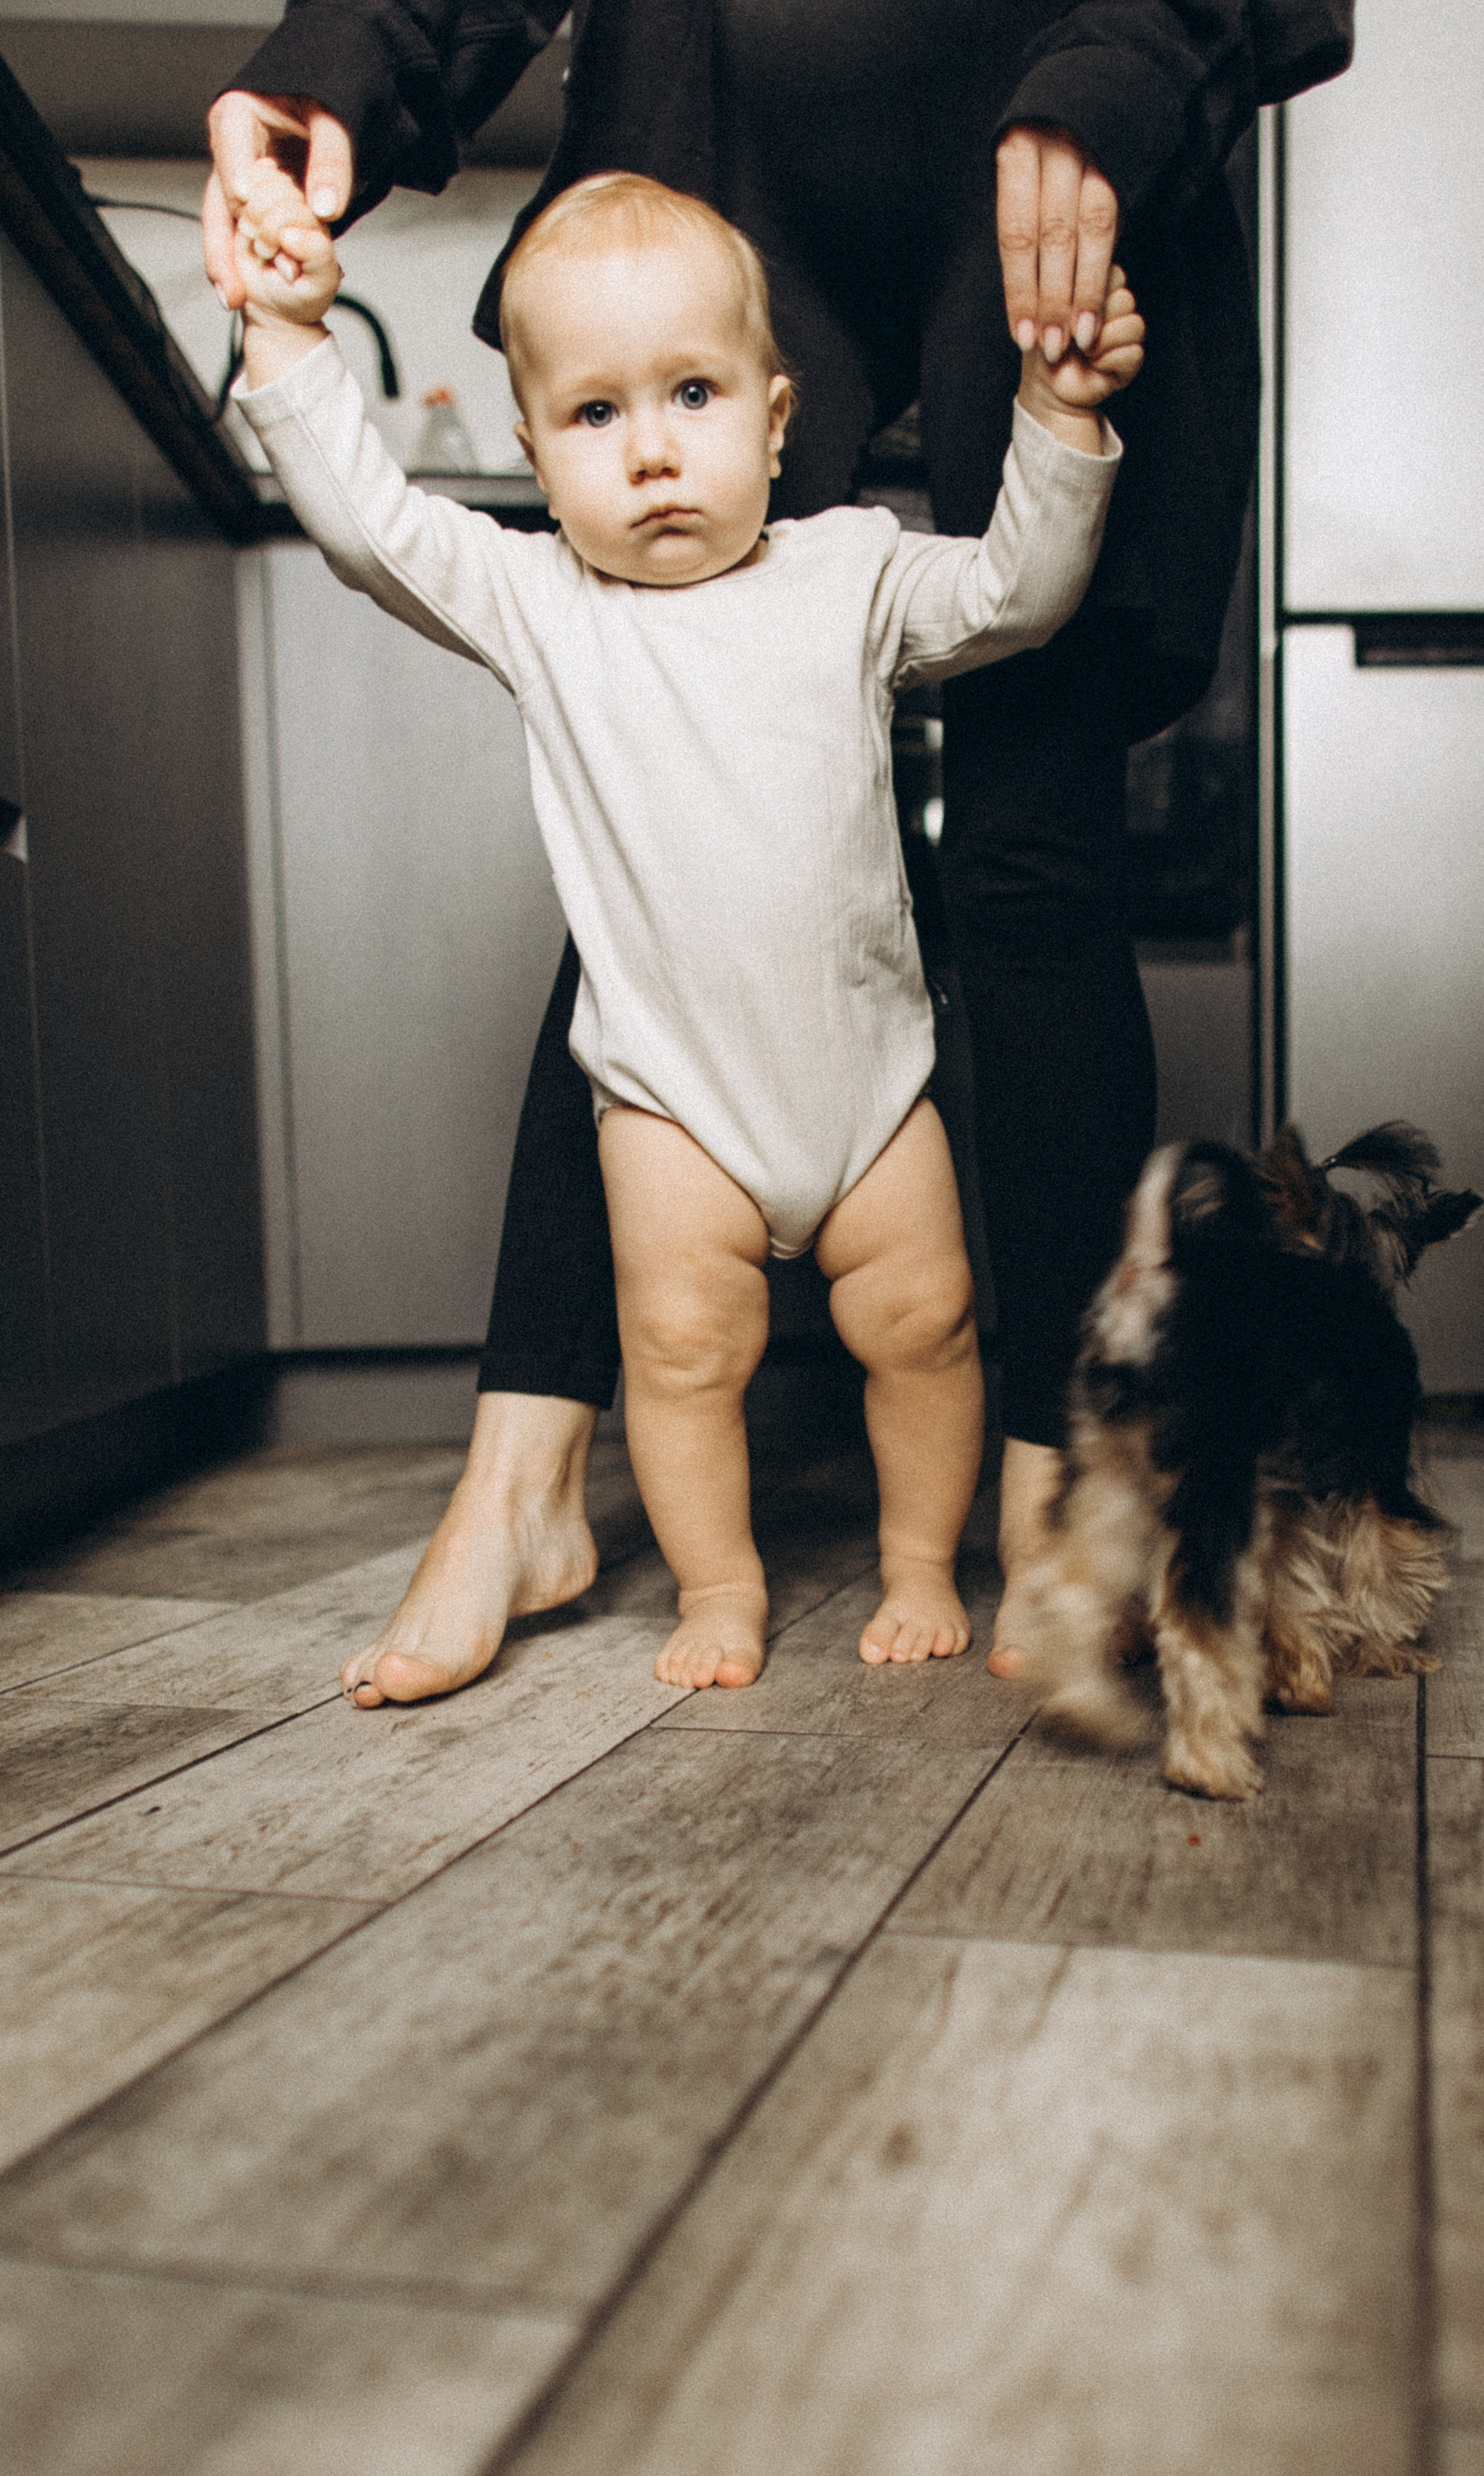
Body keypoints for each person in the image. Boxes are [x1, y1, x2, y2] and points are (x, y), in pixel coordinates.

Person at [204, 0, 1354, 1707]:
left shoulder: (844, 571)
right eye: (596, 418)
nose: (653, 446)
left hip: (872, 1093)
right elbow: (374, 528)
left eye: (690, 401)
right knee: (682, 1351)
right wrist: (293, 339)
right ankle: (699, 1576)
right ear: (534, 459)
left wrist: (1063, 422)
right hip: (677, 1099)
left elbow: (1013, 594)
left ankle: (989, 1527)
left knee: (929, 1318)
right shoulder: (542, 599)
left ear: (774, 411)